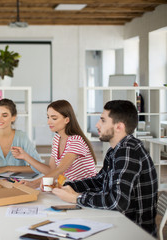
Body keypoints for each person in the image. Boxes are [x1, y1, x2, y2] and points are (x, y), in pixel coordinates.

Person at [52, 100, 158, 236]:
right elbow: (99, 181)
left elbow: (117, 202)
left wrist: (76, 198)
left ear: (119, 126)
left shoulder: (128, 151)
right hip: (117, 221)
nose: (97, 125)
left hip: (132, 231)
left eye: (102, 120)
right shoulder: (115, 150)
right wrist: (69, 186)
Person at [17, 100, 97, 188]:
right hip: (72, 186)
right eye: (48, 117)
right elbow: (51, 170)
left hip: (89, 187)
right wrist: (25, 156)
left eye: (54, 118)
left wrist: (34, 183)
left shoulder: (76, 140)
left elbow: (60, 169)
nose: (49, 122)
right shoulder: (56, 139)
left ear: (67, 120)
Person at [0, 98, 44, 178]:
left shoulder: (22, 137)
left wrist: (6, 168)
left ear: (13, 117)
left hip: (19, 184)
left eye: (4, 115)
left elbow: (38, 167)